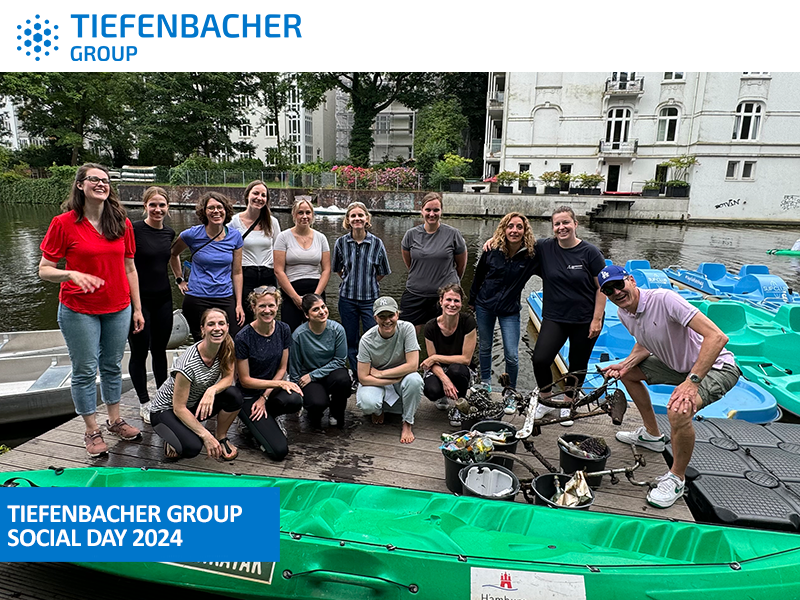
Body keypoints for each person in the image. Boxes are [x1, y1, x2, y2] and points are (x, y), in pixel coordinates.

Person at [599, 265, 741, 509]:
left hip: (717, 367)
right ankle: (652, 435)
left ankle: (677, 478)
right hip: (679, 366)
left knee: (678, 410)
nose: (616, 292)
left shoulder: (665, 299)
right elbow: (645, 342)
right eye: (609, 291)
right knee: (628, 375)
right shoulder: (624, 313)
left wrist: (691, 383)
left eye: (619, 285)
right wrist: (625, 364)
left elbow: (717, 337)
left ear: (631, 280)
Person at [38, 163, 143, 457]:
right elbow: (44, 270)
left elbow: (130, 268)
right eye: (94, 179)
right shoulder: (63, 223)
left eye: (105, 180)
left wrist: (137, 308)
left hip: (118, 307)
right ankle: (91, 430)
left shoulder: (121, 223)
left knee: (112, 366)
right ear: (80, 185)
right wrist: (70, 274)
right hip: (78, 308)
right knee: (85, 369)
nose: (101, 184)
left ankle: (114, 420)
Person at [530, 206, 606, 425]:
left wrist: (597, 319)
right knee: (540, 359)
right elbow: (517, 243)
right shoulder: (545, 247)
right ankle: (546, 401)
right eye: (557, 224)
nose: (561, 227)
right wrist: (493, 241)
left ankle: (568, 403)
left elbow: (602, 287)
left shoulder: (590, 252)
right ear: (552, 227)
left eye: (566, 222)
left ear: (575, 224)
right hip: (555, 317)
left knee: (577, 363)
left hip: (585, 319)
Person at [149, 308, 242, 461]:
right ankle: (171, 436)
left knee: (234, 395)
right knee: (192, 447)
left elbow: (228, 378)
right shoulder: (188, 364)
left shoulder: (227, 344)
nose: (217, 328)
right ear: (202, 329)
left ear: (227, 326)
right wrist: (206, 435)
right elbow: (178, 408)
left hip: (192, 403)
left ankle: (221, 437)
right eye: (211, 324)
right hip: (166, 410)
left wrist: (212, 390)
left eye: (221, 323)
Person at [470, 212, 538, 400]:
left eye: (519, 227)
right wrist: (472, 301)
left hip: (510, 309)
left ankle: (510, 391)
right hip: (485, 305)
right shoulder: (491, 250)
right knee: (485, 347)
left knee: (512, 354)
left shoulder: (531, 255)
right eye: (510, 226)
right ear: (504, 229)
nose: (514, 230)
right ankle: (485, 383)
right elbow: (479, 276)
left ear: (525, 231)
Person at [235, 286, 303, 461]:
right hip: (248, 395)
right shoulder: (243, 337)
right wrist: (279, 384)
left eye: (271, 305)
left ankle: (270, 417)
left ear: (277, 305)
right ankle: (246, 422)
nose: (267, 310)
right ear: (253, 307)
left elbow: (282, 368)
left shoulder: (283, 329)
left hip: (269, 392)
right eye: (262, 306)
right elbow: (245, 380)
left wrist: (264, 397)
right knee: (278, 451)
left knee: (295, 399)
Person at [170, 192, 244, 341]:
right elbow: (173, 254)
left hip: (225, 295)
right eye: (211, 208)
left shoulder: (235, 236)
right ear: (204, 212)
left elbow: (237, 272)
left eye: (219, 207)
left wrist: (239, 304)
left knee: (232, 340)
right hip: (197, 297)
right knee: (202, 342)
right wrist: (179, 280)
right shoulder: (192, 235)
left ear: (226, 210)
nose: (216, 211)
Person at [129, 186, 175, 424]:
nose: (158, 209)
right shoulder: (133, 229)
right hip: (140, 301)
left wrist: (180, 279)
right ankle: (144, 402)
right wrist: (136, 308)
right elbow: (126, 265)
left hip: (163, 298)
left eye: (162, 205)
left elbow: (171, 258)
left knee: (160, 350)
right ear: (145, 206)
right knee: (139, 351)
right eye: (153, 205)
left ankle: (162, 397)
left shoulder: (169, 232)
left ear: (168, 207)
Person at [332, 202, 391, 386]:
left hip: (370, 299)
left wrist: (367, 282)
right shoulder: (341, 243)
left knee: (372, 338)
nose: (357, 219)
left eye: (360, 215)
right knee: (350, 339)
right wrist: (351, 280)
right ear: (348, 220)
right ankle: (357, 376)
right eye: (353, 216)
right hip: (347, 298)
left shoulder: (377, 243)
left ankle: (372, 372)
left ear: (367, 219)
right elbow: (337, 269)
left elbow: (382, 271)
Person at [356, 296, 423, 444]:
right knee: (367, 404)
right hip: (377, 381)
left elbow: (413, 365)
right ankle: (378, 410)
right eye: (382, 316)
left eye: (390, 315)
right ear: (375, 318)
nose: (387, 320)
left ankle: (407, 422)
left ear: (397, 315)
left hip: (397, 377)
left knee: (415, 380)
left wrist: (381, 373)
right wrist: (389, 380)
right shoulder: (366, 340)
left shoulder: (407, 329)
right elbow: (363, 377)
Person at [401, 192, 468, 332]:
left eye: (436, 210)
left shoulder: (453, 234)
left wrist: (450, 284)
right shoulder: (411, 235)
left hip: (444, 297)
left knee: (443, 336)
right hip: (415, 294)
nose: (432, 214)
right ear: (422, 211)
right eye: (428, 210)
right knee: (408, 335)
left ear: (441, 211)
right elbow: (410, 264)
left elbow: (461, 265)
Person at [289, 294, 351, 430]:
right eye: (316, 309)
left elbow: (340, 361)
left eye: (323, 307)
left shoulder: (337, 330)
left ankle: (336, 413)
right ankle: (313, 411)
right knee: (316, 405)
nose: (322, 312)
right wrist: (296, 393)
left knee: (343, 379)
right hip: (308, 377)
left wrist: (313, 375)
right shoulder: (298, 336)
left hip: (330, 373)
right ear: (307, 315)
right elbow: (294, 367)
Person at [274, 199, 331, 332]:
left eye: (308, 213)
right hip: (291, 292)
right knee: (290, 331)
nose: (304, 216)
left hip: (316, 290)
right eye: (300, 213)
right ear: (294, 215)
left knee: (316, 331)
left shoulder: (321, 238)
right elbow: (278, 270)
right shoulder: (283, 237)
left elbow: (326, 270)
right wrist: (295, 297)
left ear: (312, 215)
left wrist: (315, 297)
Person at [230, 180, 281, 323]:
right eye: (256, 193)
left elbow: (278, 251)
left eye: (263, 195)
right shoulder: (234, 222)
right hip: (246, 273)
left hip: (268, 273)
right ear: (247, 195)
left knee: (267, 314)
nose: (259, 198)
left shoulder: (272, 222)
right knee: (244, 317)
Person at [422, 284, 477, 410]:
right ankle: (442, 396)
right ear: (441, 301)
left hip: (461, 368)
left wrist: (435, 357)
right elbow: (432, 364)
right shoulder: (430, 327)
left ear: (461, 304)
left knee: (456, 370)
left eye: (456, 301)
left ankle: (461, 402)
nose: (452, 304)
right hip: (439, 369)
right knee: (431, 390)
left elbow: (466, 359)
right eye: (448, 300)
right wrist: (445, 380)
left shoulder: (468, 322)